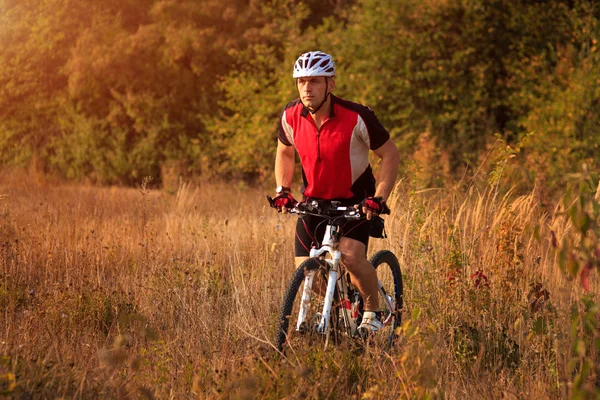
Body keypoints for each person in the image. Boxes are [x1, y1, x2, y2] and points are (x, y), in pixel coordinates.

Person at [271, 51, 400, 334]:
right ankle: (347, 300)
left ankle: (373, 310)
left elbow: (389, 154)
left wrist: (378, 199)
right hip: (314, 201)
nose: (307, 88)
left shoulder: (357, 116)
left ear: (330, 84)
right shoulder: (291, 116)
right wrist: (282, 189)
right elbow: (284, 151)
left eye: (315, 81)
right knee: (308, 273)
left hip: (356, 200)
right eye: (302, 81)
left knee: (352, 258)